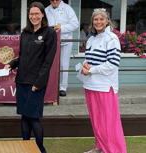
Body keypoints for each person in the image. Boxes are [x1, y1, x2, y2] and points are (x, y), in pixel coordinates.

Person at [4, 2, 57, 153]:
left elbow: (48, 61)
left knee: (34, 117)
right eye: (31, 14)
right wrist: (11, 64)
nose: (34, 16)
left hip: (36, 83)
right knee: (24, 117)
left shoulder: (49, 33)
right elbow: (22, 57)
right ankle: (26, 147)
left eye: (36, 13)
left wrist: (39, 82)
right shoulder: (25, 33)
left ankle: (40, 150)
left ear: (42, 15)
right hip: (21, 81)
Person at [81, 8, 126, 153]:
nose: (98, 22)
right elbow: (89, 60)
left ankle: (115, 150)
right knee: (97, 122)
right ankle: (99, 147)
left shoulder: (111, 38)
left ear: (107, 21)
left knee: (109, 123)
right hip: (90, 85)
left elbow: (113, 64)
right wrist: (85, 65)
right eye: (96, 19)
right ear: (92, 22)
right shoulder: (91, 38)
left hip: (105, 87)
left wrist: (92, 70)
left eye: (102, 19)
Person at [45, 0, 79, 96]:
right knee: (50, 63)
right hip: (50, 42)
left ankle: (62, 87)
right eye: (52, 0)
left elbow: (75, 24)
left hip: (65, 41)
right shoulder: (46, 10)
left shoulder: (68, 9)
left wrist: (59, 29)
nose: (54, 1)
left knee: (64, 64)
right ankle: (50, 86)